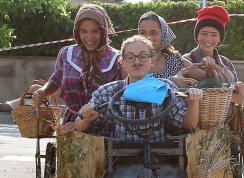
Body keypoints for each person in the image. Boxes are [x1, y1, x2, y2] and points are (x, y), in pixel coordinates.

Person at [71, 35, 202, 140]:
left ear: (152, 61)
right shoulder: (107, 92)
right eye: (130, 57)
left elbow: (189, 126)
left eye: (143, 56)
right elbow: (79, 125)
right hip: (117, 162)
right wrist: (85, 118)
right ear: (122, 62)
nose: (137, 61)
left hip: (161, 161)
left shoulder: (165, 88)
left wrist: (193, 102)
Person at [33, 4, 121, 126]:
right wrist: (42, 91)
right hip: (70, 124)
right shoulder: (66, 54)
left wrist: (82, 123)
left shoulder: (117, 59)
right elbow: (55, 80)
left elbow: (119, 99)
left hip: (104, 129)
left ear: (104, 31)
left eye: (95, 31)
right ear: (77, 32)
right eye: (84, 31)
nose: (89, 37)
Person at [179, 5, 239, 88]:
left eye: (214, 35)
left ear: (220, 39)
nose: (208, 39)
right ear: (197, 36)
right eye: (204, 33)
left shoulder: (226, 63)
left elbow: (238, 96)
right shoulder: (186, 60)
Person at [138, 11, 184, 80]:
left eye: (153, 33)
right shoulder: (132, 60)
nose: (147, 38)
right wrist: (171, 80)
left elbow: (201, 74)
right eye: (143, 33)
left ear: (163, 35)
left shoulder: (175, 59)